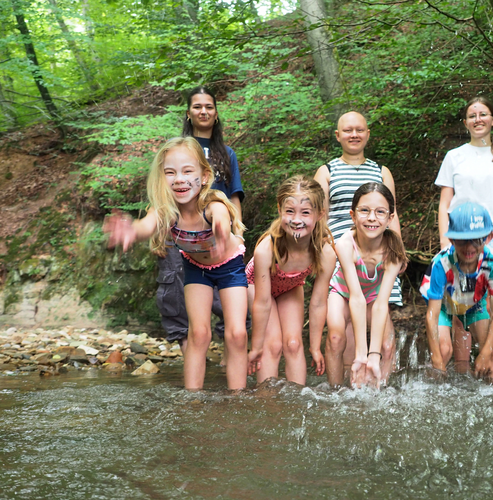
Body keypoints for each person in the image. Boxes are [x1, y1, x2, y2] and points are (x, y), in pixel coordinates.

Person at [105, 137, 249, 390]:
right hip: (196, 268)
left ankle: (237, 395)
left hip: (229, 267)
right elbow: (146, 226)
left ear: (204, 177)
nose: (179, 179)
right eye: (170, 173)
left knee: (236, 333)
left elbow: (221, 217)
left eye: (187, 171)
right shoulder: (165, 210)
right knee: (198, 333)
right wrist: (130, 232)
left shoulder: (212, 204)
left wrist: (221, 229)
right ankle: (191, 397)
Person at [435, 97, 493, 369]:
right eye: (472, 115)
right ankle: (464, 373)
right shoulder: (454, 156)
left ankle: (490, 365)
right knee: (460, 307)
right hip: (460, 236)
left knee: (490, 308)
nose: (478, 119)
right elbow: (444, 204)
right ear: (465, 122)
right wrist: (444, 242)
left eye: (483, 114)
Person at [156, 86, 245, 354]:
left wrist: (237, 234)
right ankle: (193, 365)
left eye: (209, 106)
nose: (203, 111)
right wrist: (158, 234)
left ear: (216, 114)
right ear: (188, 113)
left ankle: (226, 364)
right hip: (178, 233)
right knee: (176, 294)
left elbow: (234, 197)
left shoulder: (226, 154)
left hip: (217, 235)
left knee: (228, 299)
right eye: (197, 106)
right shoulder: (176, 150)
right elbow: (160, 191)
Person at [245, 175, 337, 386]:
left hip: (290, 286)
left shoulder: (325, 253)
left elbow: (318, 302)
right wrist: (256, 347)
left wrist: (314, 346)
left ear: (320, 214)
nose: (297, 220)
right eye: (290, 211)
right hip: (256, 287)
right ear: (279, 210)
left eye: (305, 213)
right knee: (274, 344)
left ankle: (297, 403)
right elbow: (262, 302)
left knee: (294, 344)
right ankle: (266, 398)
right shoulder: (266, 249)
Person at [314, 111, 404, 306]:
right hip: (339, 256)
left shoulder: (381, 172)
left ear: (368, 134)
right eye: (348, 130)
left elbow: (392, 215)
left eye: (359, 130)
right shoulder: (326, 172)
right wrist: (325, 251)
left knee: (380, 317)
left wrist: (399, 251)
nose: (354, 134)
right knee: (340, 330)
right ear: (338, 136)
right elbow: (319, 218)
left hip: (378, 255)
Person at [325, 182, 407, 389]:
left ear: (390, 218)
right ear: (353, 215)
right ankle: (336, 391)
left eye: (380, 212)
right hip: (344, 294)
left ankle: (378, 388)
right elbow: (356, 298)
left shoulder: (393, 252)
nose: (372, 218)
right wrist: (362, 354)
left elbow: (380, 303)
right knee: (336, 336)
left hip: (373, 297)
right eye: (365, 211)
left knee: (387, 346)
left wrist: (373, 355)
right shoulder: (345, 245)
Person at [421, 203, 493, 378]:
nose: (469, 247)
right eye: (462, 240)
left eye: (476, 240)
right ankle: (431, 390)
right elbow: (432, 315)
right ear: (452, 240)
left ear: (489, 237)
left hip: (474, 302)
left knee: (490, 356)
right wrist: (437, 362)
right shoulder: (442, 263)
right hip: (444, 305)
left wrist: (485, 353)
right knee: (443, 350)